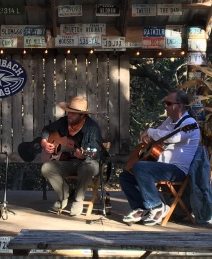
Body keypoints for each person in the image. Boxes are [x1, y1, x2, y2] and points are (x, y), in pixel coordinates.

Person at [120, 90, 200, 226]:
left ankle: (157, 206)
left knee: (140, 167)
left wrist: (150, 131)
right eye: (165, 103)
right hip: (160, 165)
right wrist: (147, 138)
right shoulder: (169, 121)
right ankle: (141, 208)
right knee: (125, 176)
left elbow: (173, 137)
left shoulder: (190, 123)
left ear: (179, 106)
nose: (165, 106)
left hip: (177, 170)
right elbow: (157, 136)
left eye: (168, 103)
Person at [40, 96, 103, 216]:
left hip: (87, 161)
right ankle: (64, 195)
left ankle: (78, 199)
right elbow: (46, 130)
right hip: (68, 162)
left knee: (88, 167)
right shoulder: (64, 121)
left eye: (73, 114)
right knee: (46, 168)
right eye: (69, 112)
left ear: (82, 115)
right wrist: (44, 142)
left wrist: (83, 156)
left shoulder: (92, 127)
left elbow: (95, 153)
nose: (69, 115)